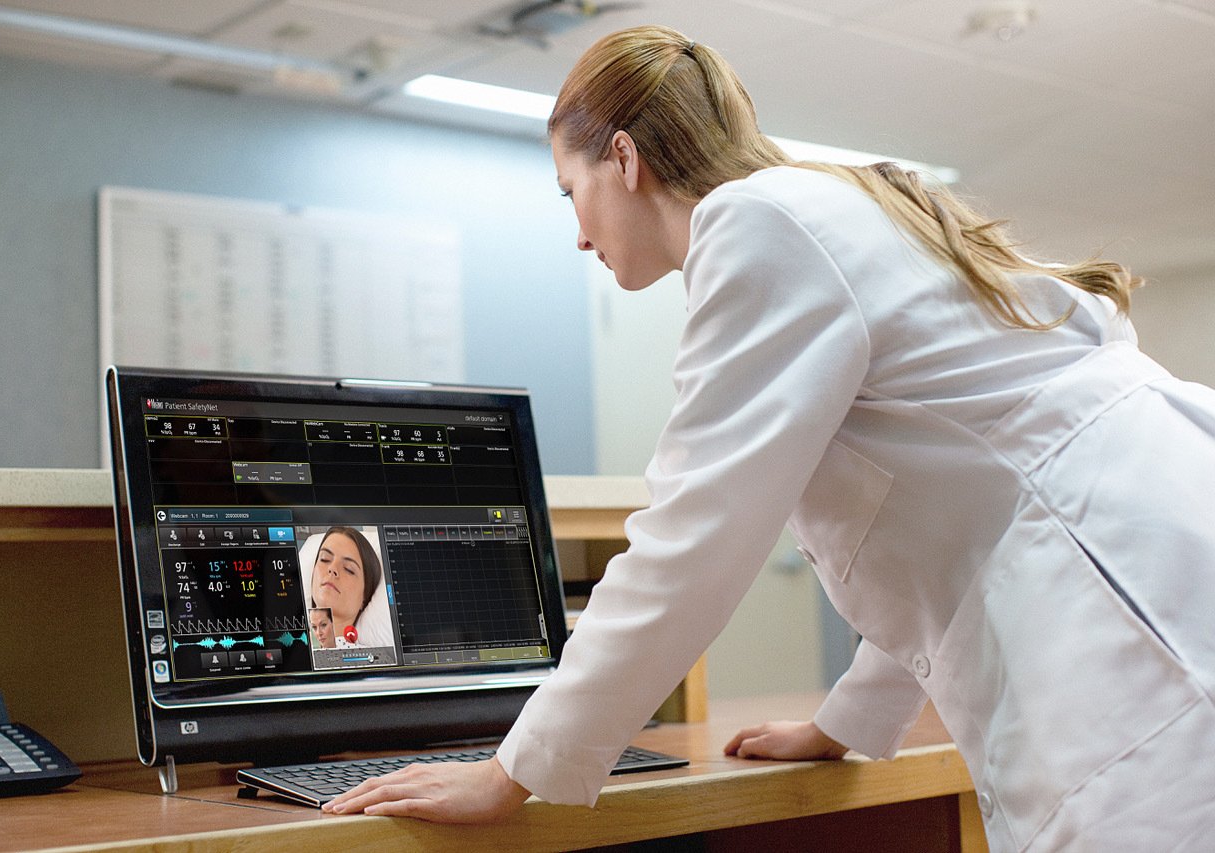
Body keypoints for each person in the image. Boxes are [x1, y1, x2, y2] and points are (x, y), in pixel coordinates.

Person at [323, 24, 1215, 849]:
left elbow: (694, 537)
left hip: (1132, 620)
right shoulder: (833, 205)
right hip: (1134, 559)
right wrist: (844, 722)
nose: (579, 234)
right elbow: (951, 528)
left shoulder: (757, 225)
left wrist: (509, 772)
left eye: (572, 192)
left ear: (623, 159)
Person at [304, 526, 393, 649]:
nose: (332, 568)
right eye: (325, 559)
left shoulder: (371, 662)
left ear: (364, 597)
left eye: (349, 569)